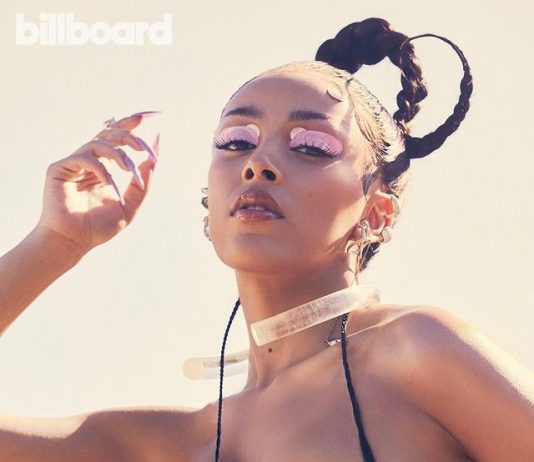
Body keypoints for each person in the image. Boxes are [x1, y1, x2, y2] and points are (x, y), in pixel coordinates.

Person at [1, 17, 533, 462]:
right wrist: (56, 242)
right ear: (209, 199)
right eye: (237, 141)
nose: (258, 164)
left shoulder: (415, 351)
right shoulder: (175, 444)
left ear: (377, 212)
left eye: (311, 146)